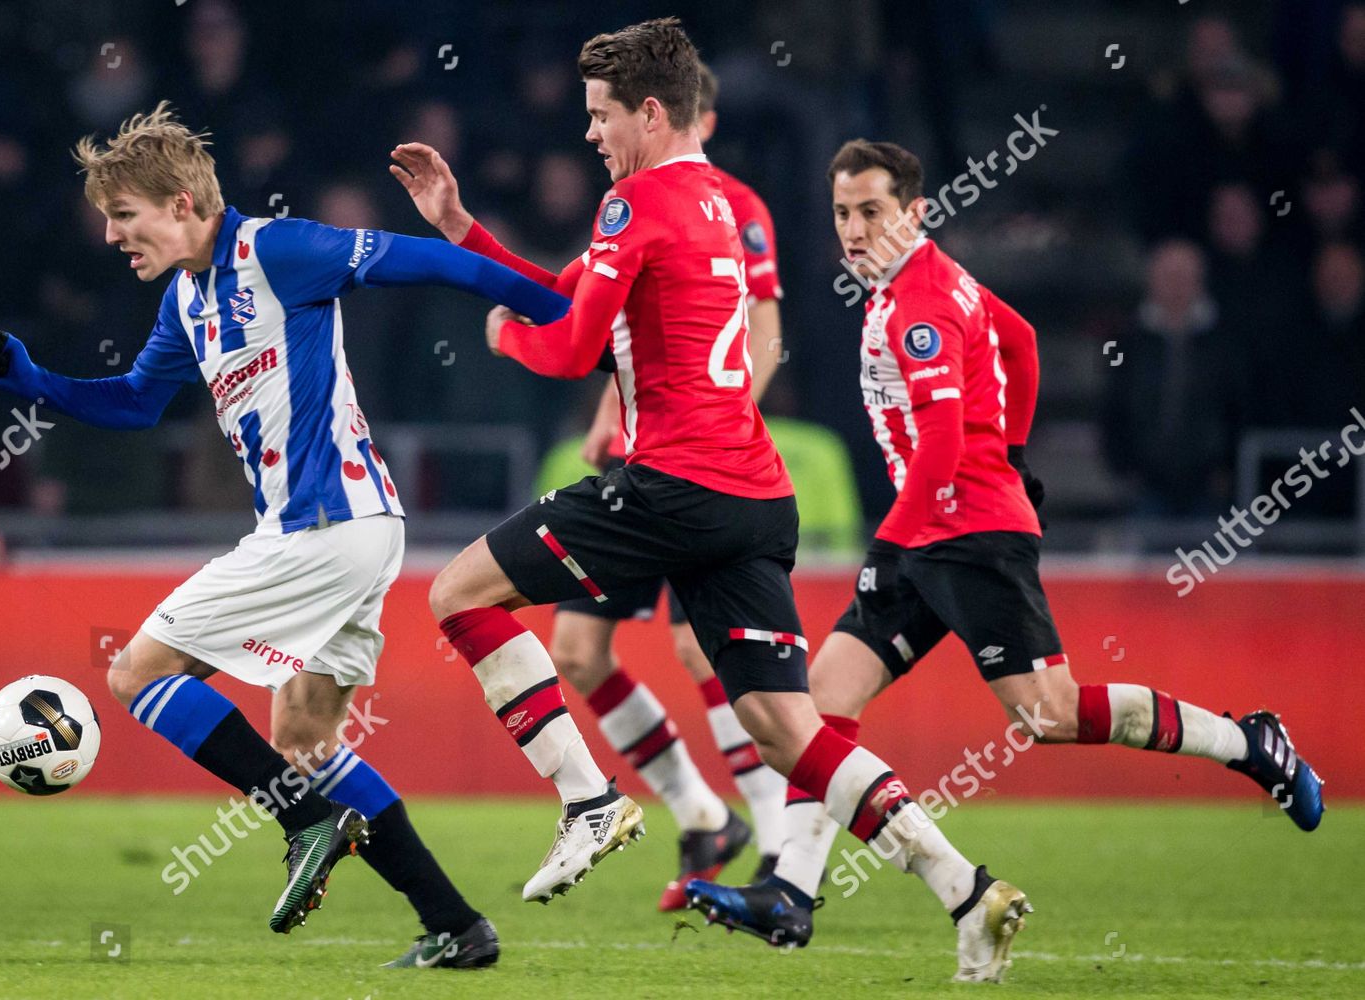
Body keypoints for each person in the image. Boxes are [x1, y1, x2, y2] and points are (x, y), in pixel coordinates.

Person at [392, 19, 1026, 983]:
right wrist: (462, 230)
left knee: (458, 595)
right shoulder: (721, 207)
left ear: (650, 112)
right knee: (790, 730)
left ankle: (590, 802)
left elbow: (565, 343)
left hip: (669, 486)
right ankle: (966, 891)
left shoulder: (633, 204)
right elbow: (571, 300)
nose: (592, 135)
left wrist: (503, 338)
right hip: (751, 495)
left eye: (603, 116)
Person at [686, 139, 1326, 951]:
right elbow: (1019, 341)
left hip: (969, 534)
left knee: (1050, 714)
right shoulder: (930, 278)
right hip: (939, 527)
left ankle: (1250, 743)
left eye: (873, 211)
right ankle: (792, 893)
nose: (853, 229)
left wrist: (894, 541)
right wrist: (1016, 457)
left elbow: (947, 438)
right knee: (822, 705)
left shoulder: (916, 302)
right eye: (843, 212)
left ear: (914, 212)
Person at [0, 101, 570, 964]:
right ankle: (455, 924)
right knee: (303, 739)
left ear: (182, 203)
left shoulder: (277, 251)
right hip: (359, 530)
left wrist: (555, 309)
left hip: (322, 527)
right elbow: (138, 402)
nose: (111, 236)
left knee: (136, 672)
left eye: (124, 216)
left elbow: (428, 262)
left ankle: (305, 822)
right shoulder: (187, 300)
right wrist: (35, 379)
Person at [541, 62, 790, 911]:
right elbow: (629, 331)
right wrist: (614, 407)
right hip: (639, 459)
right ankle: (700, 813)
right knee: (577, 649)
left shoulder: (736, 209)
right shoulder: (640, 203)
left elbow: (759, 338)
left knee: (697, 647)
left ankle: (774, 837)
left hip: (700, 465)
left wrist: (713, 429)